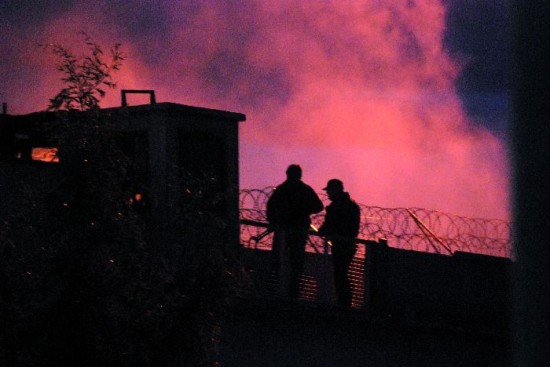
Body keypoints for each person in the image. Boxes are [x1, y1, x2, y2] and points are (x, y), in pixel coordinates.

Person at [266, 164, 324, 299]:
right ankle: (293, 295)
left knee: (278, 261)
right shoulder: (305, 190)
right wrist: (304, 211)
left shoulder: (282, 189)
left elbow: (270, 208)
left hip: (283, 230)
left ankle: (274, 292)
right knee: (296, 264)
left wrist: (275, 222)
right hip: (298, 230)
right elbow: (318, 206)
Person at [318, 179, 361, 307]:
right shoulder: (352, 205)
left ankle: (344, 304)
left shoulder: (336, 207)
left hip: (341, 245)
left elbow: (331, 224)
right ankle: (345, 302)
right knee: (342, 273)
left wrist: (323, 231)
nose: (328, 194)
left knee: (340, 274)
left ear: (335, 190)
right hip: (348, 244)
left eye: (329, 190)